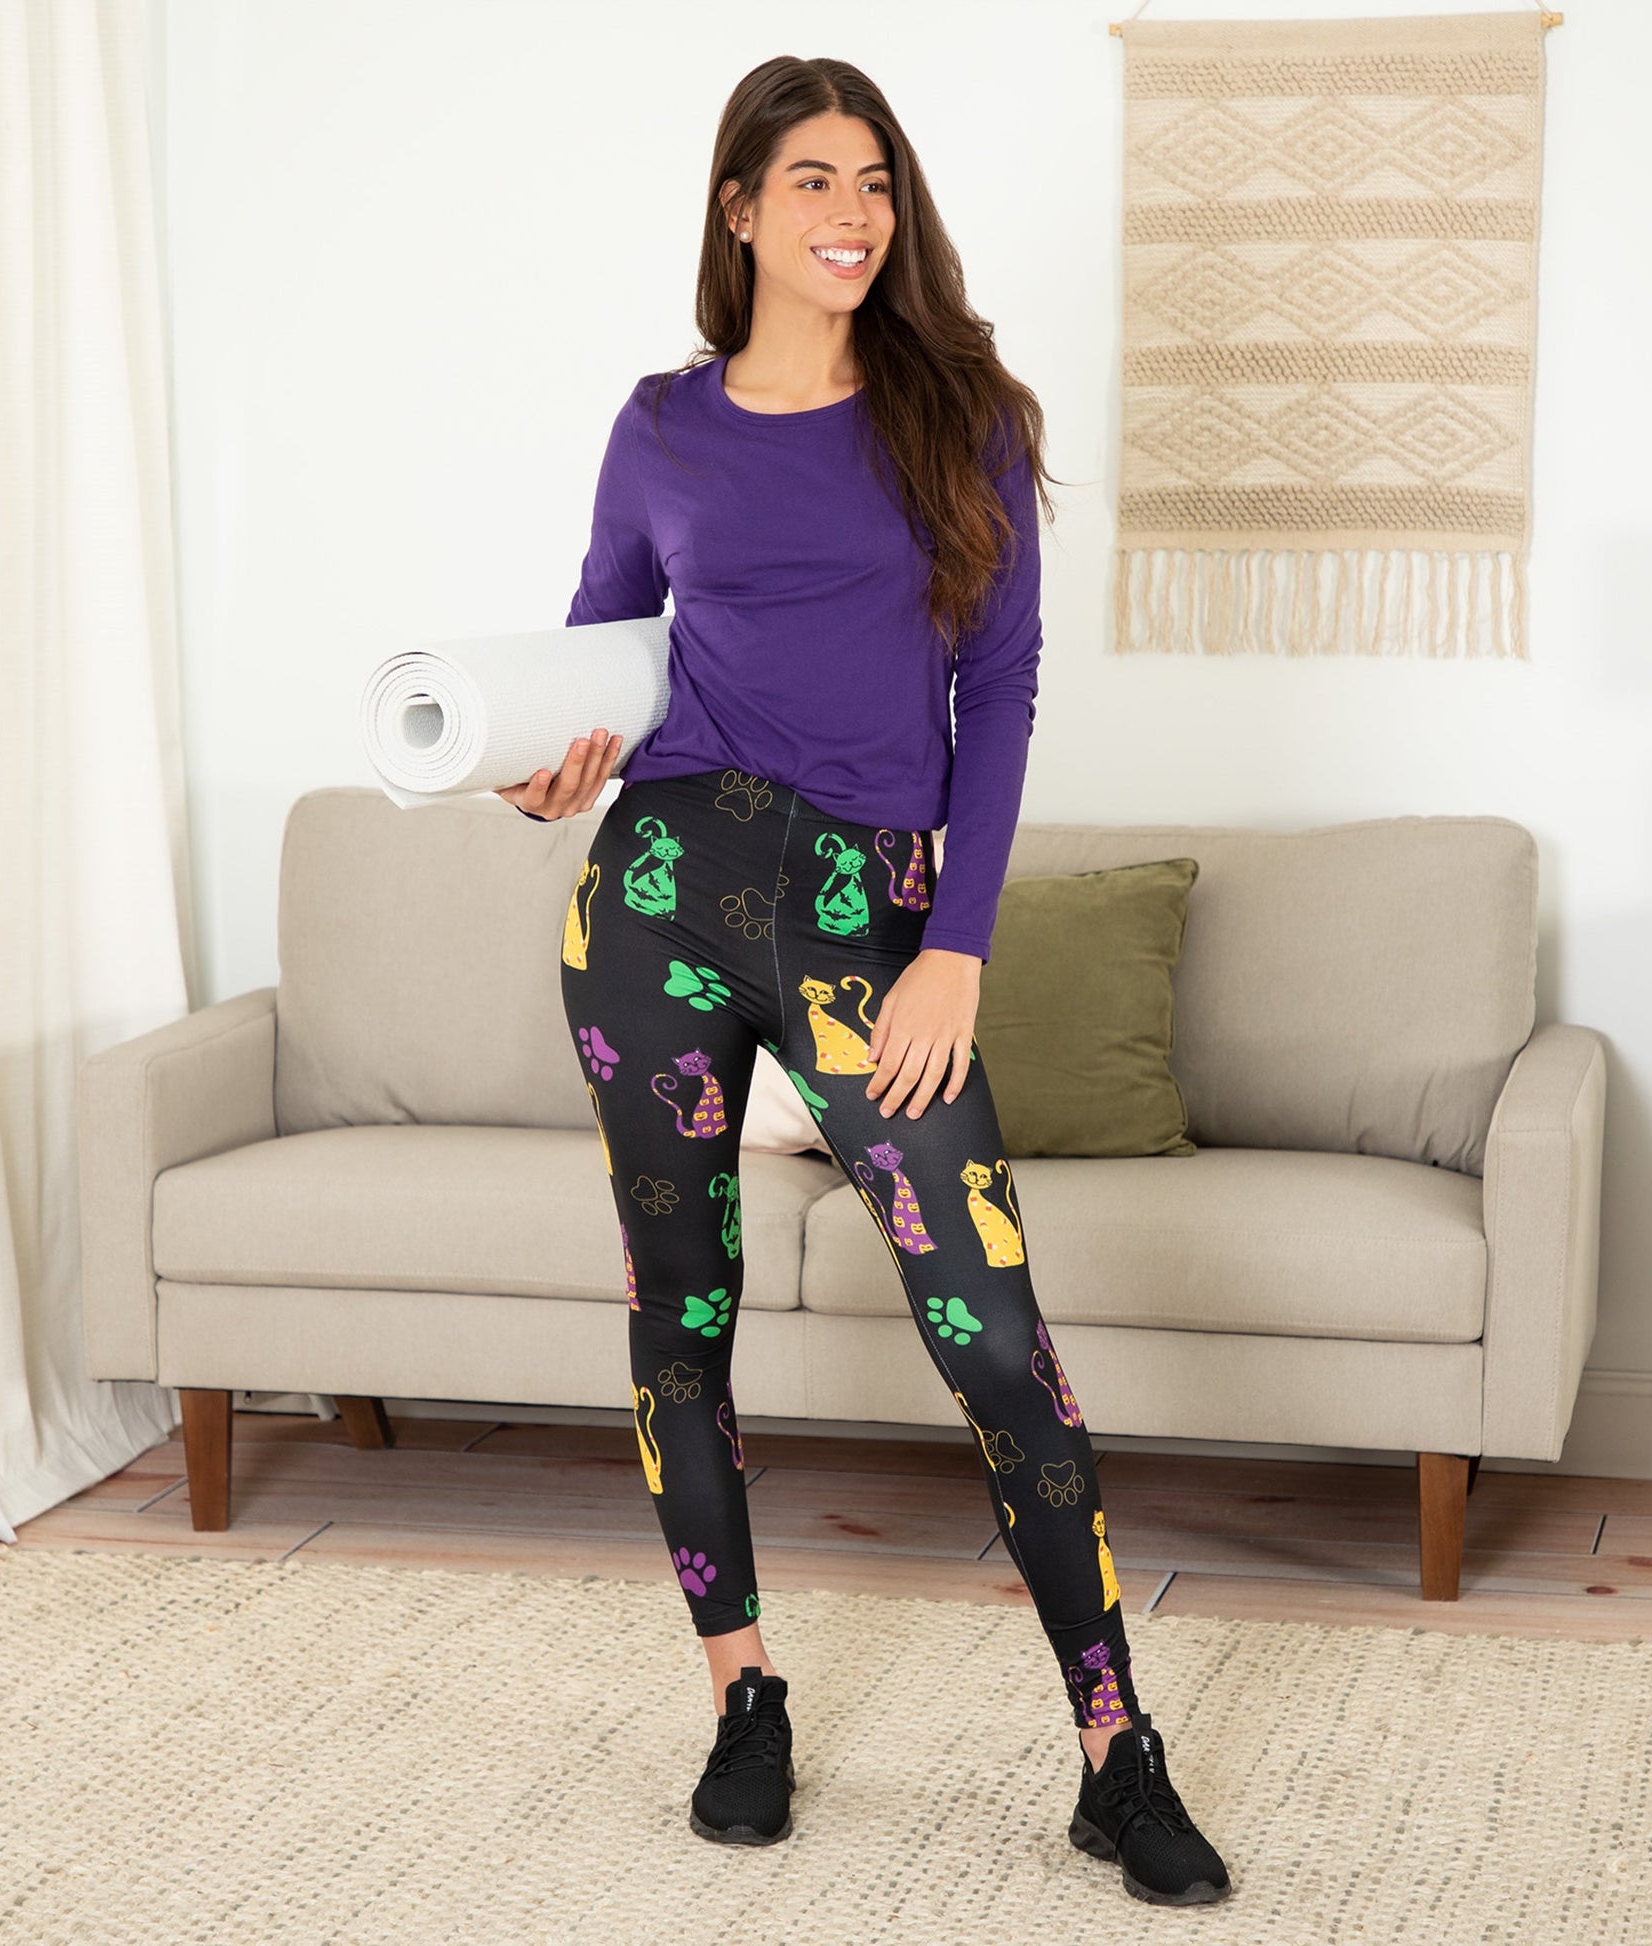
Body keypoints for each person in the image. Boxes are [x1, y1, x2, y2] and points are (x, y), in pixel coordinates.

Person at [497, 55, 1230, 1908]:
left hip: (866, 922)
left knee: (992, 1339)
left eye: (876, 181)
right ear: (739, 208)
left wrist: (955, 947)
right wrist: (541, 763)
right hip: (655, 896)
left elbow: (1004, 690)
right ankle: (742, 1695)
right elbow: (601, 651)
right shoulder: (659, 426)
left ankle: (1113, 1748)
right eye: (812, 179)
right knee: (681, 1308)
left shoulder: (961, 414)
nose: (851, 213)